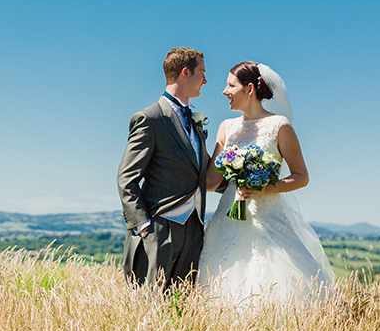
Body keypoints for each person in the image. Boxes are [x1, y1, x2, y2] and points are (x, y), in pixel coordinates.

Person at [197, 61, 335, 305]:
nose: (224, 91)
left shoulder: (279, 126)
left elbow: (302, 176)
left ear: (249, 89)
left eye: (230, 85)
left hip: (268, 216)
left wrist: (266, 188)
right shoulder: (226, 128)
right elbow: (210, 182)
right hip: (229, 217)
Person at [117, 47, 211, 294]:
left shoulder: (196, 121)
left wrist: (250, 182)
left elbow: (205, 172)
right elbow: (127, 178)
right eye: (201, 73)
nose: (205, 80)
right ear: (185, 72)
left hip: (194, 228)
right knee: (150, 310)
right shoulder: (150, 118)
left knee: (183, 307)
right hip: (159, 228)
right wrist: (144, 226)